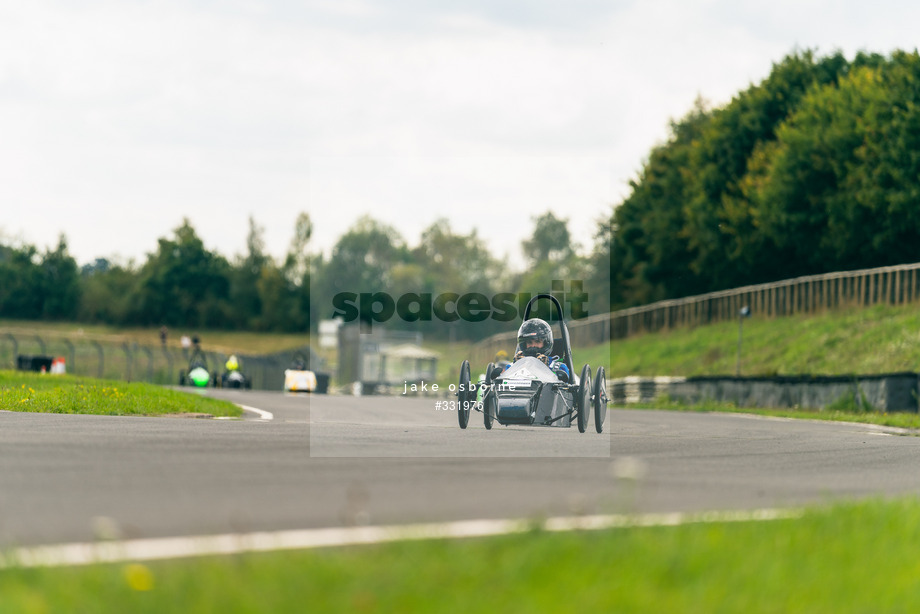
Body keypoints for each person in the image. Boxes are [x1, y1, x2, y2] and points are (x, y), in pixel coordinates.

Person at [508, 318, 570, 382]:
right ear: (523, 344)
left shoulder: (559, 368)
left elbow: (562, 388)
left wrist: (545, 369)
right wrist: (517, 367)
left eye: (537, 341)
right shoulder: (511, 367)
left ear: (546, 343)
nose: (533, 346)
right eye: (529, 342)